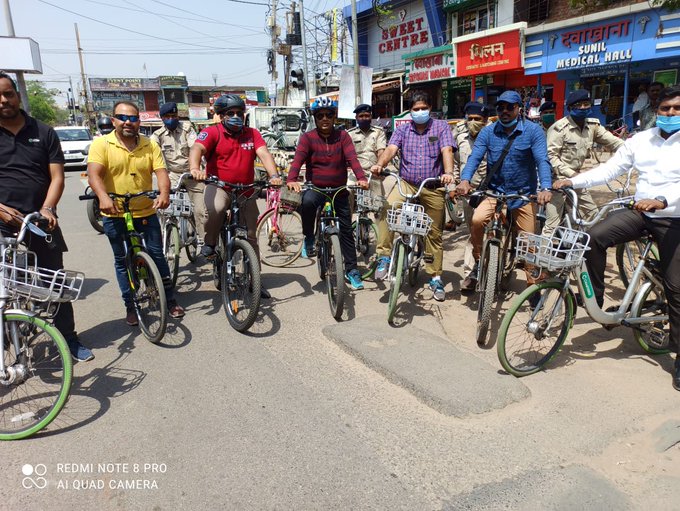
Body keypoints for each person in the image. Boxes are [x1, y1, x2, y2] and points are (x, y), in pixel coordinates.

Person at [553, 85, 680, 391]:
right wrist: (573, 180)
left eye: (677, 108)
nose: (671, 114)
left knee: (677, 287)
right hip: (641, 212)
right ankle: (595, 302)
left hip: (674, 216)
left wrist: (662, 201)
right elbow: (609, 170)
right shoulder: (642, 140)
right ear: (656, 111)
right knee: (592, 237)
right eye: (665, 109)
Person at [0, 72, 93, 362]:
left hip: (39, 222)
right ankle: (5, 347)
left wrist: (48, 208)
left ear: (17, 95)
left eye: (8, 94)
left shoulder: (43, 131)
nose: (4, 100)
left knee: (55, 283)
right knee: (4, 284)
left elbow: (57, 177)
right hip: (1, 221)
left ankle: (68, 339)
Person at [88, 100, 185, 325]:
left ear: (139, 121)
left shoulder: (149, 145)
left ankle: (170, 300)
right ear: (114, 121)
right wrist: (103, 197)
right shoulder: (102, 144)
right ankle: (130, 306)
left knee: (157, 254)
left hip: (145, 209)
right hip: (114, 213)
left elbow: (161, 171)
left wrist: (164, 193)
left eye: (133, 118)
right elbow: (94, 174)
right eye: (123, 118)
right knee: (122, 260)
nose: (128, 122)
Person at [456, 90, 553, 294]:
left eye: (510, 107)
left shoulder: (533, 131)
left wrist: (545, 187)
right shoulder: (488, 131)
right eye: (501, 107)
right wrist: (464, 180)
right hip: (495, 191)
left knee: (527, 242)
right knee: (476, 221)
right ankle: (478, 262)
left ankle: (531, 285)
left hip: (522, 194)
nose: (505, 111)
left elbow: (541, 160)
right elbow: (474, 158)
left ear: (519, 109)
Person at [189, 94, 281, 299]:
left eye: (240, 113)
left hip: (246, 189)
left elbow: (264, 154)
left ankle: (255, 281)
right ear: (221, 116)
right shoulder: (212, 132)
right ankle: (211, 243)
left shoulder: (252, 133)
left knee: (251, 235)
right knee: (217, 209)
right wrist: (195, 168)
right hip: (219, 186)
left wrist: (274, 175)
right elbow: (197, 148)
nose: (236, 116)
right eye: (231, 113)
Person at [370, 90, 455, 301]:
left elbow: (447, 151)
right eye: (416, 109)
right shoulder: (403, 130)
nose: (420, 112)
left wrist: (449, 173)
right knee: (386, 209)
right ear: (410, 111)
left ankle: (435, 277)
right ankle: (384, 257)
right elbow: (390, 149)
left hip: (433, 185)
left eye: (423, 108)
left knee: (433, 233)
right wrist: (380, 165)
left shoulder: (441, 127)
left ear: (430, 109)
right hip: (406, 183)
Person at [286, 97, 369, 291]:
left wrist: (362, 178)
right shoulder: (307, 138)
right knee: (306, 203)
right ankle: (308, 238)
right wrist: (291, 179)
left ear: (334, 117)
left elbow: (353, 159)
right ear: (315, 118)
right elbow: (297, 161)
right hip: (316, 188)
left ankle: (352, 271)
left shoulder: (343, 136)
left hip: (339, 190)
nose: (325, 119)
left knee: (346, 231)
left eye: (329, 115)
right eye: (320, 115)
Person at [543, 89, 624, 235]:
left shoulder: (593, 126)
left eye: (586, 104)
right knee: (552, 224)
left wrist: (633, 150)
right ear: (569, 109)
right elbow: (552, 156)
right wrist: (571, 174)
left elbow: (614, 142)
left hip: (578, 180)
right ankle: (542, 254)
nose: (582, 108)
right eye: (578, 105)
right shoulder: (559, 128)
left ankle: (583, 251)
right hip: (558, 179)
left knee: (592, 217)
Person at [151, 102, 207, 243]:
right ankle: (165, 238)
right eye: (167, 116)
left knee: (201, 211)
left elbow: (195, 148)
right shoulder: (157, 135)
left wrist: (201, 169)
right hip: (172, 174)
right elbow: (152, 155)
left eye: (174, 116)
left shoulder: (187, 129)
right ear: (162, 118)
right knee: (162, 208)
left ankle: (205, 242)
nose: (171, 119)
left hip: (192, 172)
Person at [451, 101, 491, 290]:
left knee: (491, 232)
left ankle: (491, 270)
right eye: (470, 119)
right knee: (473, 232)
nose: (473, 122)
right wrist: (456, 184)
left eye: (478, 119)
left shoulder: (494, 136)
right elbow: (455, 163)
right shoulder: (459, 137)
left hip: (491, 193)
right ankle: (472, 273)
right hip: (468, 193)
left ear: (485, 120)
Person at [347, 103, 388, 196]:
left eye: (367, 116)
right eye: (361, 116)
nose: (364, 118)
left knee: (377, 205)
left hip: (373, 173)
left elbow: (381, 152)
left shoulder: (378, 132)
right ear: (356, 118)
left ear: (371, 117)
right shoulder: (350, 134)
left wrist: (379, 166)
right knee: (347, 193)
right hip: (355, 174)